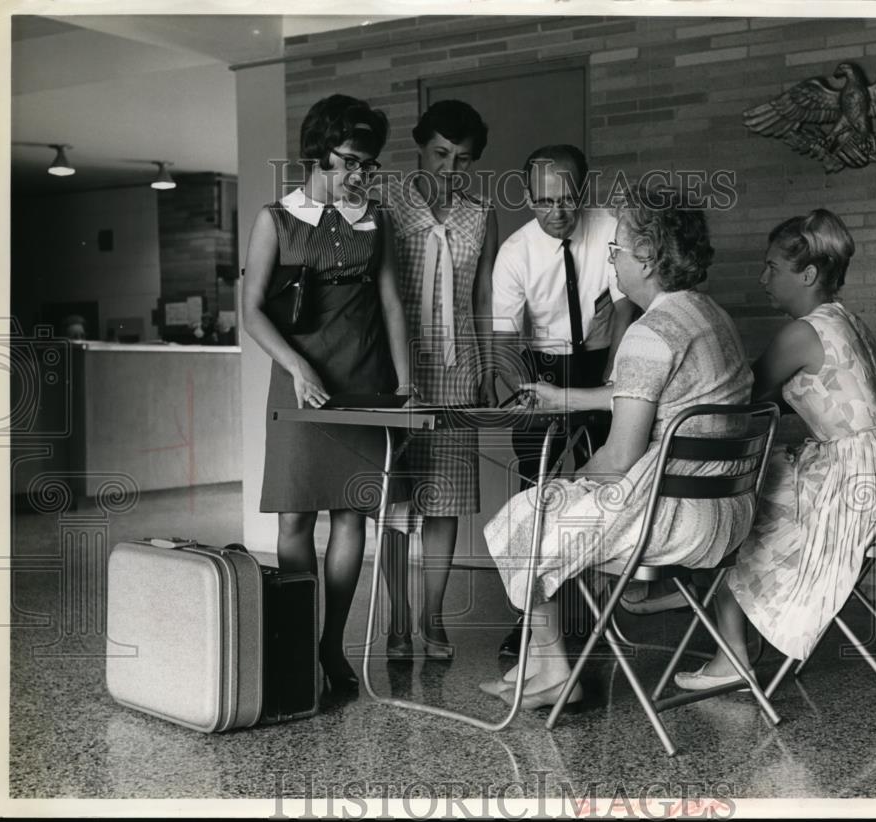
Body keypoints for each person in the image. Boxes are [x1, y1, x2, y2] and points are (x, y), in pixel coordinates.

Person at [480, 188, 754, 709]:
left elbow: (621, 458)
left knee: (526, 514)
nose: (614, 261)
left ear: (647, 258)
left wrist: (569, 480)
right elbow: (652, 394)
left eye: (617, 252)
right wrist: (563, 397)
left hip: (675, 521)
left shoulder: (648, 333)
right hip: (729, 511)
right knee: (543, 511)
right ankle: (540, 664)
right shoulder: (710, 316)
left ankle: (552, 667)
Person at [673, 209, 876, 690]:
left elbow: (742, 400)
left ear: (808, 274)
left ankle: (731, 653)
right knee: (760, 485)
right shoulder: (849, 323)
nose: (763, 279)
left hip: (851, 487)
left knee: (730, 507)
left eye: (772, 268)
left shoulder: (802, 334)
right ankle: (735, 628)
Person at [242, 93, 413, 699]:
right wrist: (296, 366)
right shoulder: (276, 219)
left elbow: (391, 301)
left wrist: (404, 383)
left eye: (370, 165)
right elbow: (251, 311)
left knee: (352, 513)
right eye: (349, 162)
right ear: (316, 154)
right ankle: (295, 637)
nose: (360, 176)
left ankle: (331, 645)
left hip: (362, 376)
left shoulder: (377, 218)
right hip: (299, 381)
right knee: (294, 515)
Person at [491, 144, 638, 657]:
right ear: (528, 197)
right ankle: (532, 620)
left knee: (612, 480)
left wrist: (613, 377)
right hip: (542, 365)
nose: (557, 213)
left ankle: (599, 607)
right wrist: (519, 392)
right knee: (539, 490)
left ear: (584, 188)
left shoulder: (612, 225)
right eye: (543, 201)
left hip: (603, 359)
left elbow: (624, 308)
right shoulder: (516, 252)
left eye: (567, 199)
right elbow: (506, 341)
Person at [381, 100, 498, 659]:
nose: (451, 170)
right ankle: (397, 623)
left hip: (457, 368)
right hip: (396, 370)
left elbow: (482, 297)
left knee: (446, 500)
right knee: (392, 502)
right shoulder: (386, 204)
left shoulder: (480, 213)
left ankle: (432, 618)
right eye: (441, 154)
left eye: (464, 159)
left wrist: (487, 366)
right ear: (419, 146)